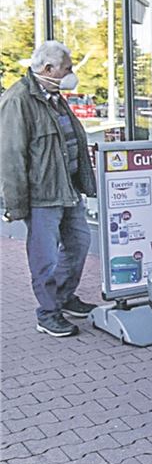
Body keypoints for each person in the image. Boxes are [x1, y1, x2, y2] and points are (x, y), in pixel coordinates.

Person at [0, 41, 97, 337]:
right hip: (43, 195)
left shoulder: (54, 96)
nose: (71, 73)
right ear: (48, 69)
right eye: (67, 68)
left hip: (67, 190)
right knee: (45, 257)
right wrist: (15, 205)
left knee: (79, 243)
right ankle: (47, 313)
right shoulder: (18, 100)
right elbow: (11, 156)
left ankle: (64, 297)